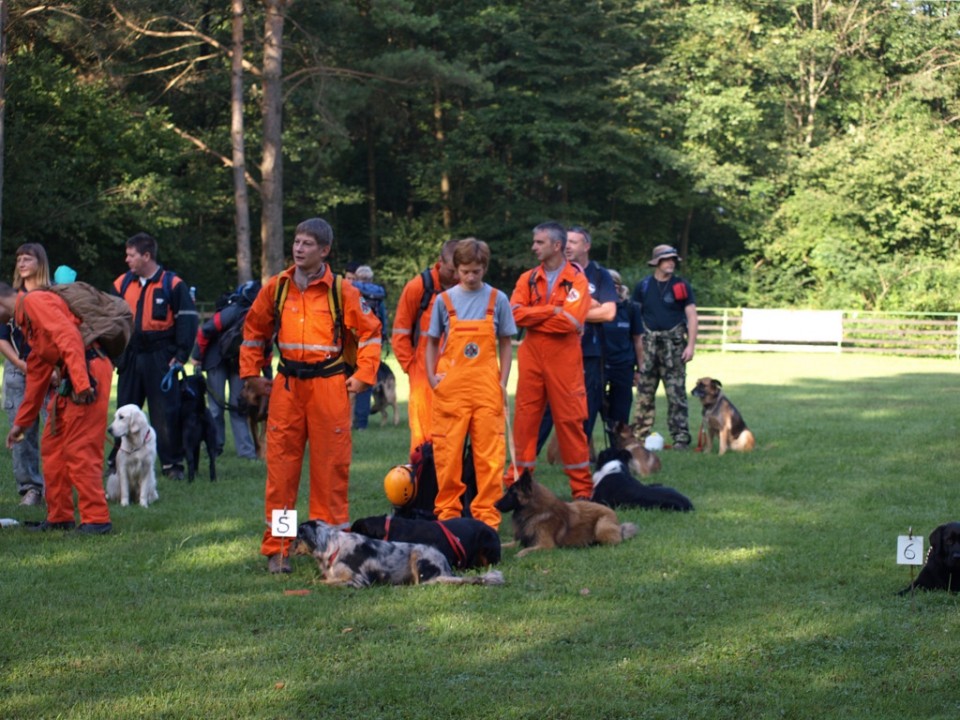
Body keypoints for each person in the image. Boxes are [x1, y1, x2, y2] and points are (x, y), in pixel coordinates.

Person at [239, 217, 382, 574]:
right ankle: (280, 548)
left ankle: (331, 548)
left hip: (329, 388)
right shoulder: (277, 288)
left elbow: (370, 334)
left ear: (324, 251)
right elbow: (254, 329)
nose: (299, 249)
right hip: (287, 389)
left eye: (307, 244)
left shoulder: (343, 291)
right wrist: (251, 374)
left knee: (330, 474)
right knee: (282, 475)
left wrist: (364, 376)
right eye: (297, 242)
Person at [0, 282, 113, 533]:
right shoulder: (27, 321)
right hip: (73, 375)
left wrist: (82, 385)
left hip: (88, 372)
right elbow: (38, 373)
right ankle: (59, 516)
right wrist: (20, 423)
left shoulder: (34, 302)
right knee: (52, 445)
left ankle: (96, 520)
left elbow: (68, 335)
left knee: (80, 447)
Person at [425, 238, 515, 531]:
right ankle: (449, 518)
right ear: (456, 269)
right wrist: (430, 376)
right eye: (465, 271)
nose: (471, 277)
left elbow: (505, 343)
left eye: (476, 271)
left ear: (484, 268)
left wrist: (502, 382)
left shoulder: (497, 299)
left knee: (490, 458)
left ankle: (487, 521)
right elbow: (432, 342)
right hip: (451, 391)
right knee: (448, 456)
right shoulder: (445, 300)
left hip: (487, 389)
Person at [509, 221, 593, 499]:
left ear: (556, 246)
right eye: (534, 242)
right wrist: (552, 310)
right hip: (531, 359)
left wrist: (536, 316)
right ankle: (519, 487)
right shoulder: (527, 278)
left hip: (564, 362)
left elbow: (570, 322)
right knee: (524, 422)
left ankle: (582, 494)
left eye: (539, 242)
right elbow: (514, 315)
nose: (534, 247)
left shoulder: (577, 279)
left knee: (570, 423)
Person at [111, 232, 199, 480]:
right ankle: (118, 462)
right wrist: (116, 354)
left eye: (131, 255)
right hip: (130, 356)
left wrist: (180, 355)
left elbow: (188, 321)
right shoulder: (121, 284)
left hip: (161, 356)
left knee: (165, 412)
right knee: (124, 410)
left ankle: (171, 465)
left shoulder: (172, 284)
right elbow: (111, 320)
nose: (126, 259)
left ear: (146, 256)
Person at [536, 225, 617, 454]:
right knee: (548, 407)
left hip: (590, 352)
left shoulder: (600, 276)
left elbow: (609, 313)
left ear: (587, 246)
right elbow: (545, 310)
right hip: (557, 351)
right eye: (566, 241)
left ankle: (577, 457)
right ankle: (527, 460)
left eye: (573, 242)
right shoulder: (557, 274)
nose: (568, 246)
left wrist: (566, 312)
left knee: (585, 407)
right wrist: (584, 308)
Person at [391, 240, 458, 455]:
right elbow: (400, 333)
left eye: (461, 269)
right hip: (423, 372)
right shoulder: (418, 287)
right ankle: (422, 481)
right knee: (423, 433)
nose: (457, 275)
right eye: (452, 269)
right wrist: (411, 367)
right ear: (440, 263)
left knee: (455, 431)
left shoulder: (467, 287)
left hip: (457, 371)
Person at [632, 244, 698, 449]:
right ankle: (639, 437)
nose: (671, 263)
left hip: (674, 348)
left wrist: (691, 345)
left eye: (674, 260)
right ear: (656, 262)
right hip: (648, 347)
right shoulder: (643, 286)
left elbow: (692, 316)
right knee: (644, 394)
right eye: (667, 259)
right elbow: (635, 318)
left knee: (676, 394)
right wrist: (636, 352)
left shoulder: (681, 286)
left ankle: (680, 438)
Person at [0, 244, 50, 506]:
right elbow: (1, 337)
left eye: (27, 258)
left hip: (50, 371)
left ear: (40, 263)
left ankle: (56, 487)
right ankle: (31, 488)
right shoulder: (10, 297)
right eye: (18, 258)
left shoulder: (52, 295)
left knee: (54, 430)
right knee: (22, 432)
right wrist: (21, 364)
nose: (21, 263)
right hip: (18, 369)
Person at [191, 280, 261, 460]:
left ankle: (246, 451)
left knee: (238, 405)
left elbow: (264, 347)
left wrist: (265, 374)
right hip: (216, 360)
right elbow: (205, 330)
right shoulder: (233, 312)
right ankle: (215, 446)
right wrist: (197, 357)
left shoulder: (262, 317)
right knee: (216, 408)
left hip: (239, 363)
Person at [602, 269, 644, 446]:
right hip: (598, 366)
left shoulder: (631, 308)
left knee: (620, 412)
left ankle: (619, 451)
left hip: (623, 365)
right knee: (589, 410)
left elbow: (638, 340)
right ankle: (585, 454)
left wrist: (640, 370)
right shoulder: (595, 307)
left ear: (619, 287)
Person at [350, 265, 388, 430]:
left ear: (357, 278)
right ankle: (362, 423)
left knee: (347, 381)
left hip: (353, 341)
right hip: (372, 343)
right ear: (371, 279)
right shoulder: (378, 295)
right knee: (365, 382)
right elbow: (383, 320)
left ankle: (345, 420)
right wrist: (383, 338)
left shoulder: (351, 290)